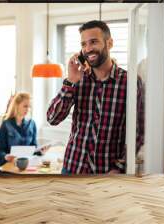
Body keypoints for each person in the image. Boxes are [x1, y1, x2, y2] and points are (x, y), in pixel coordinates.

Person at [47, 20, 144, 174]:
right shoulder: (78, 79)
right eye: (83, 44)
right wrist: (70, 81)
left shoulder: (130, 82)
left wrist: (120, 167)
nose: (88, 49)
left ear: (109, 43)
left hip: (107, 173)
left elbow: (138, 132)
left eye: (93, 42)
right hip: (73, 168)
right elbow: (52, 118)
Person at [0, 92, 45, 167]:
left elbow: (34, 148)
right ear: (16, 106)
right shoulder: (6, 124)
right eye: (25, 106)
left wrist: (40, 152)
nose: (28, 109)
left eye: (29, 107)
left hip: (26, 164)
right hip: (9, 164)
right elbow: (0, 150)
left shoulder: (32, 124)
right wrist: (6, 156)